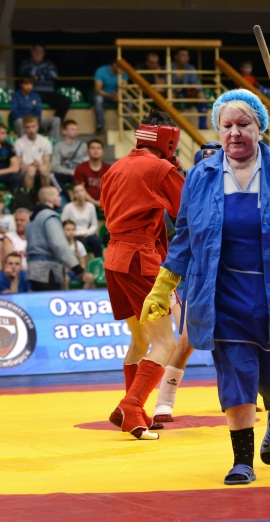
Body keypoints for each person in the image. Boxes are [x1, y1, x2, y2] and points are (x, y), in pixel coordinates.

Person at [141, 89, 270, 484]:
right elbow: (185, 238)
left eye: (243, 124)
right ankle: (242, 461)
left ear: (260, 128)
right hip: (224, 296)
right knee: (234, 374)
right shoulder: (200, 176)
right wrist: (163, 286)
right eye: (226, 125)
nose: (234, 133)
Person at [100, 109, 184, 440]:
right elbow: (188, 212)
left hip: (114, 259)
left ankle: (129, 410)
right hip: (140, 259)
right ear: (169, 140)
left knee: (140, 340)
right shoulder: (160, 169)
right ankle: (132, 406)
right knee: (166, 342)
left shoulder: (114, 168)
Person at [26, 186, 92, 292]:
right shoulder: (50, 217)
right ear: (50, 199)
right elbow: (59, 245)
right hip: (47, 271)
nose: (60, 198)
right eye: (57, 195)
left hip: (34, 269)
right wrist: (77, 268)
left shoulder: (33, 218)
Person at [18, 45, 72, 125]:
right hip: (32, 93)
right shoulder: (26, 64)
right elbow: (28, 75)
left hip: (48, 93)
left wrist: (39, 77)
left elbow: (54, 75)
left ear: (44, 54)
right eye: (36, 51)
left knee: (66, 101)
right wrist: (44, 73)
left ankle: (55, 125)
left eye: (41, 52)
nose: (38, 53)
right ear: (31, 52)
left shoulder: (49, 64)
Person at [10, 76, 60, 141]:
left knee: (56, 120)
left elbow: (38, 111)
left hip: (36, 120)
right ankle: (24, 142)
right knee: (19, 121)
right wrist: (27, 119)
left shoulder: (36, 96)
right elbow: (14, 112)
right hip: (22, 121)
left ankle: (54, 142)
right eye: (26, 84)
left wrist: (34, 119)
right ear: (21, 85)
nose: (29, 86)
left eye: (30, 84)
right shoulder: (15, 96)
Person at [60, 183, 102, 258]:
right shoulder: (68, 207)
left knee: (96, 241)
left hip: (87, 233)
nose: (80, 194)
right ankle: (80, 263)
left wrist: (88, 232)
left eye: (81, 191)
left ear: (85, 192)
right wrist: (74, 232)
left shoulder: (91, 206)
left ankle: (99, 262)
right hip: (74, 233)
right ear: (73, 194)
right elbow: (63, 224)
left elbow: (94, 224)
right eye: (77, 192)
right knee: (82, 242)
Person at [13, 115, 53, 193]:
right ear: (24, 128)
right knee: (31, 170)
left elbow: (47, 162)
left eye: (33, 126)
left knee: (44, 169)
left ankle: (46, 195)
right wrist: (30, 165)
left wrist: (39, 166)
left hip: (41, 167)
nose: (31, 130)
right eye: (28, 127)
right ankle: (29, 196)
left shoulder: (45, 141)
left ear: (38, 126)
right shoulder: (18, 143)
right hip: (25, 169)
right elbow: (18, 165)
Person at [51, 119, 87, 192]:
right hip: (65, 173)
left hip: (80, 173)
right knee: (54, 176)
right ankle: (66, 197)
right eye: (72, 129)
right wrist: (70, 172)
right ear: (64, 131)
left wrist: (79, 172)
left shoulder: (83, 145)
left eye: (77, 129)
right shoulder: (59, 146)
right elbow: (55, 166)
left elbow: (87, 161)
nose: (75, 131)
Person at [72, 139, 110, 209]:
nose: (96, 151)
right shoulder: (80, 168)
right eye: (92, 148)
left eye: (98, 148)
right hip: (86, 204)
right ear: (87, 152)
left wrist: (104, 203)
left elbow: (112, 189)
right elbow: (79, 189)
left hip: (107, 203)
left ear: (103, 152)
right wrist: (95, 203)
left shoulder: (109, 169)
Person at [93, 61, 126, 134]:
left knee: (129, 99)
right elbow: (97, 89)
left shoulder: (123, 72)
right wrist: (111, 96)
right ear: (114, 64)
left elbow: (124, 90)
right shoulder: (101, 71)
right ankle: (100, 126)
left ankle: (126, 125)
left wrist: (118, 95)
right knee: (98, 99)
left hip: (117, 96)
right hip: (104, 95)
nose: (121, 68)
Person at [62, 220, 95, 289]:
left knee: (90, 278)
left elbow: (82, 264)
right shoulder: (59, 245)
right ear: (62, 230)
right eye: (68, 230)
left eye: (73, 229)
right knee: (64, 280)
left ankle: (83, 295)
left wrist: (79, 271)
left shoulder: (79, 245)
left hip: (76, 272)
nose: (71, 232)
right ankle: (66, 296)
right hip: (64, 272)